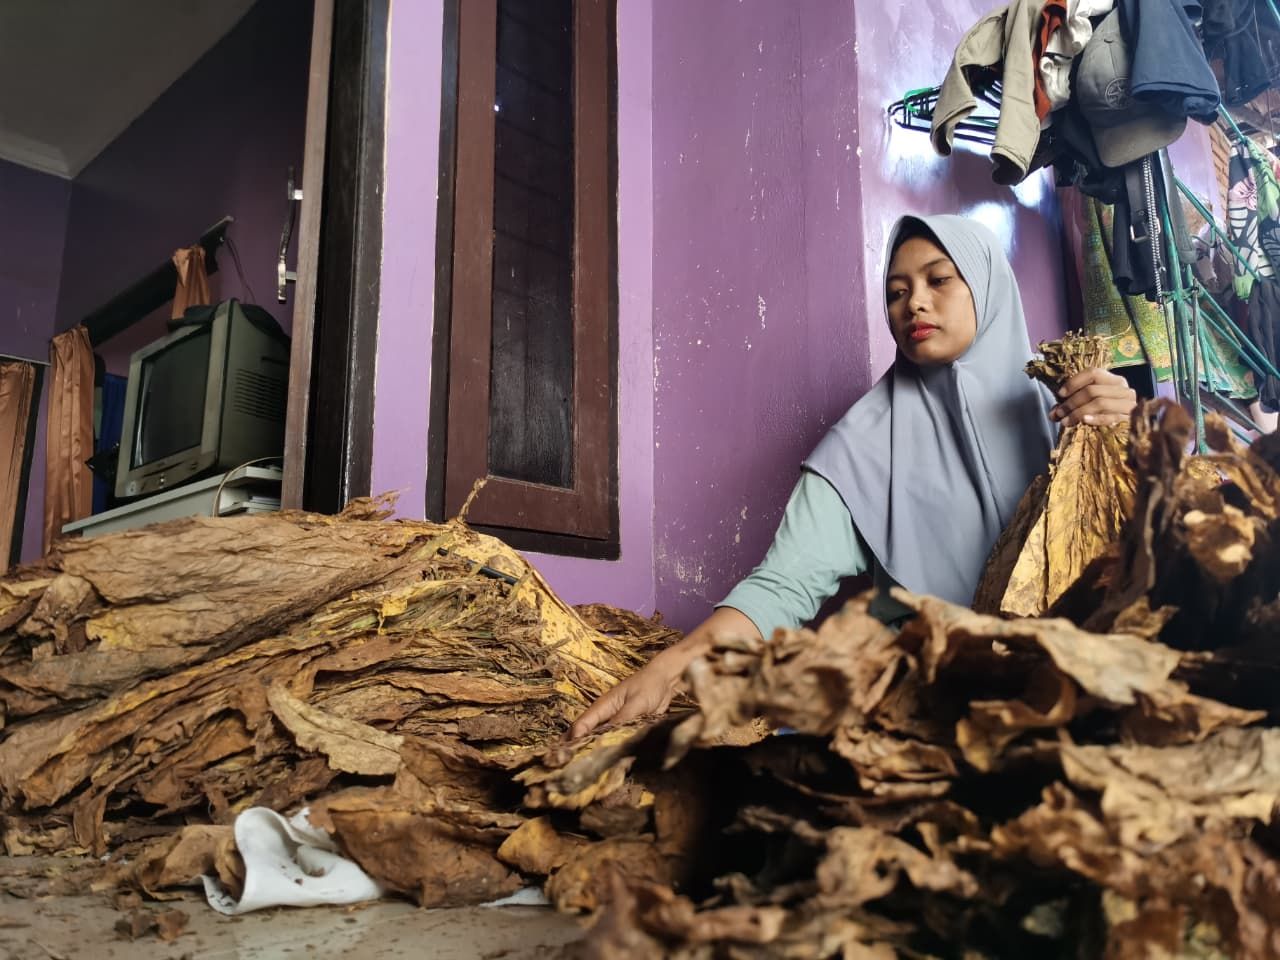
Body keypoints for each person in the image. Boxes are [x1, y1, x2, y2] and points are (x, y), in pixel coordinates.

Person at [570, 214, 1139, 739]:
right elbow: (782, 587)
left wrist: (1130, 433)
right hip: (928, 715)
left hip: (1075, 695)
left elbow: (1145, 550)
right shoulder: (862, 443)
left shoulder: (1069, 410)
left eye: (939, 280)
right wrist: (666, 673)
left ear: (987, 288)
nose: (914, 302)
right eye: (896, 292)